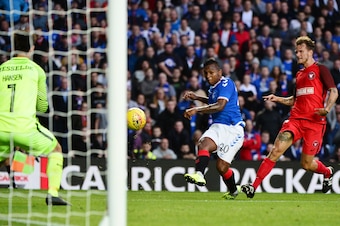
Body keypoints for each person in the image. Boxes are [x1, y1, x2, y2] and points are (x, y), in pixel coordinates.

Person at [241, 36, 339, 198]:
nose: (298, 54)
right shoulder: (299, 74)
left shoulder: (321, 69)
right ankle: (253, 186)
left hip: (314, 123)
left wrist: (327, 108)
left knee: (306, 164)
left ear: (310, 52)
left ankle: (327, 172)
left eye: (301, 51)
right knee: (275, 151)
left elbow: (334, 91)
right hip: (295, 120)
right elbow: (294, 99)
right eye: (296, 52)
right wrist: (277, 98)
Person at [0, 32, 69, 205]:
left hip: (0, 127)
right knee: (56, 149)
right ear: (32, 48)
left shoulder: (1, 69)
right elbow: (42, 106)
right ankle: (52, 194)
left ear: (13, 48)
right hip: (24, 128)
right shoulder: (36, 70)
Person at [183, 58, 245, 199]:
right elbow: (212, 101)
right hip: (218, 126)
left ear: (219, 72)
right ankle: (199, 175)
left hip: (233, 129)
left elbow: (220, 105)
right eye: (205, 73)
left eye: (211, 73)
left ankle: (233, 190)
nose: (208, 76)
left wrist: (197, 109)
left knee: (221, 167)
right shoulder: (214, 88)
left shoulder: (226, 83)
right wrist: (196, 97)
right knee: (203, 143)